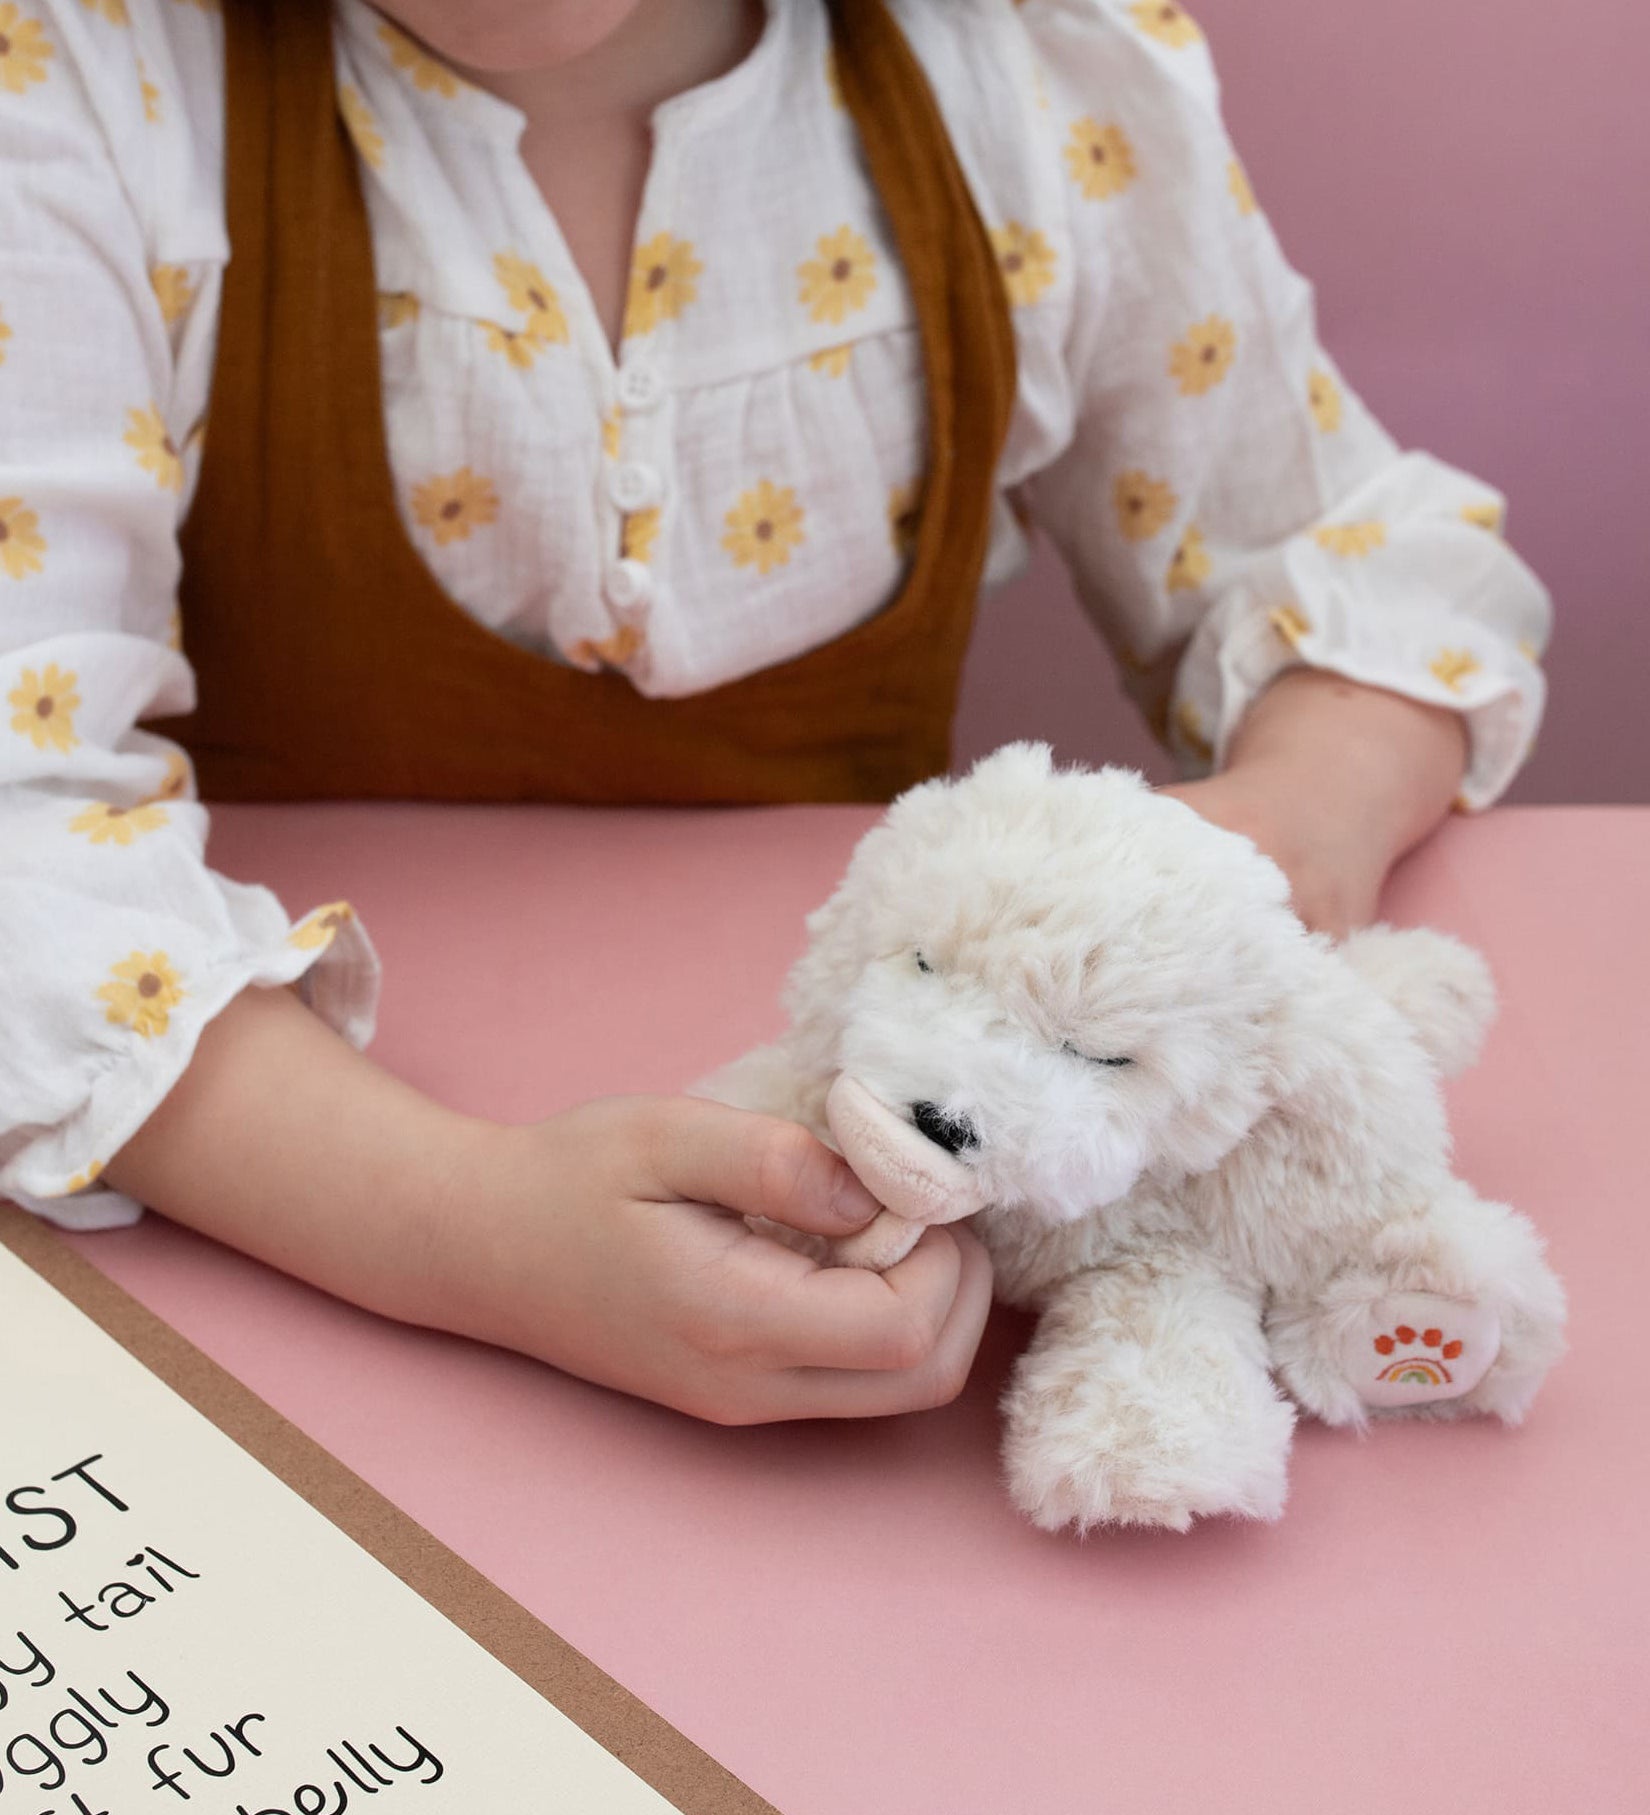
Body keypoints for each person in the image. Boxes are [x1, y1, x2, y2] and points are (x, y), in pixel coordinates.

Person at [0, 0, 1548, 1425]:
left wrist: (1254, 859)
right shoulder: (84, 77)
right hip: (256, 1298)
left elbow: (1377, 571)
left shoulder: (1025, 73)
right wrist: (465, 1227)